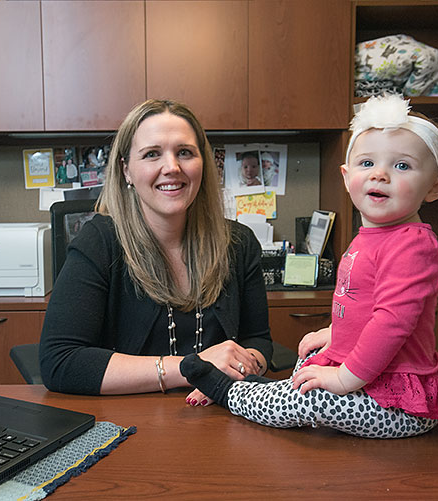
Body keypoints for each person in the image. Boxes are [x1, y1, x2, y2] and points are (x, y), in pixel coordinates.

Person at [180, 94, 438, 438]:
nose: (381, 175)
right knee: (309, 363)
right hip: (371, 376)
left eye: (401, 166)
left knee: (313, 399)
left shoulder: (411, 245)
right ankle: (257, 387)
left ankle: (227, 391)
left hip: (397, 403)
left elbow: (391, 323)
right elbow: (364, 306)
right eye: (367, 163)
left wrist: (343, 379)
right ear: (347, 177)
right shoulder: (372, 235)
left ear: (435, 187)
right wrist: (333, 333)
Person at [39, 99, 272, 403]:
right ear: (126, 170)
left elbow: (258, 340)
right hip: (129, 422)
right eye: (152, 154)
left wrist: (239, 366)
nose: (172, 167)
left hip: (220, 415)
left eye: (185, 152)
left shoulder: (238, 243)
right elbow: (60, 362)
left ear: (203, 163)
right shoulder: (99, 242)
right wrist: (193, 368)